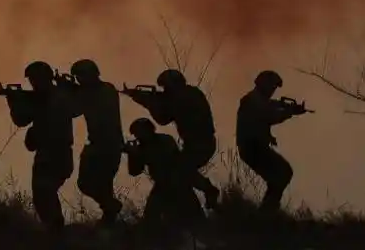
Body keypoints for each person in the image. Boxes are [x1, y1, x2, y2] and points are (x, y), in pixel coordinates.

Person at [126, 69, 222, 210]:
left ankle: (208, 191)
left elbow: (162, 118)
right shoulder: (191, 93)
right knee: (179, 172)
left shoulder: (181, 98)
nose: (165, 91)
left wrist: (147, 100)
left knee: (179, 170)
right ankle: (205, 200)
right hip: (199, 142)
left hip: (200, 144)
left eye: (166, 87)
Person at [2, 61, 75, 231]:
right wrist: (15, 101)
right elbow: (23, 119)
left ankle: (55, 232)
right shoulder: (51, 96)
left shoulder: (54, 97)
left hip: (55, 154)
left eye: (35, 79)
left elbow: (22, 119)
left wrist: (15, 102)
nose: (33, 83)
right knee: (44, 195)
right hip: (52, 153)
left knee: (44, 194)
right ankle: (55, 230)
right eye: (32, 80)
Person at [66, 59, 124, 226]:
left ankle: (110, 210)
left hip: (108, 145)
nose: (79, 80)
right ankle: (110, 213)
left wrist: (69, 92)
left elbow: (74, 110)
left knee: (95, 184)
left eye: (81, 76)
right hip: (98, 144)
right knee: (93, 184)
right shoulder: (93, 91)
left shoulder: (104, 90)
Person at [235, 70, 304, 212]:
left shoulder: (258, 99)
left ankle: (267, 211)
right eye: (272, 87)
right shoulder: (252, 100)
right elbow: (270, 116)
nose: (273, 91)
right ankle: (267, 211)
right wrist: (289, 112)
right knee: (283, 173)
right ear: (264, 85)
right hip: (252, 149)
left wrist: (289, 108)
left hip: (255, 148)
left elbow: (271, 106)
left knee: (279, 176)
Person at [125, 118, 205, 226]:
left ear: (148, 130)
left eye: (139, 133)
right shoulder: (142, 148)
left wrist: (138, 153)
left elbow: (162, 159)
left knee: (195, 218)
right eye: (136, 134)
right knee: (151, 220)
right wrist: (132, 155)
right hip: (162, 185)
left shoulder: (165, 140)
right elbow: (134, 172)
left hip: (178, 183)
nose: (137, 136)